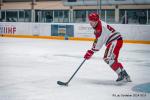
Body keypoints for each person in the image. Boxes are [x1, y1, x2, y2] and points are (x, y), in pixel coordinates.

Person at [84, 12, 131, 82]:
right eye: (90, 20)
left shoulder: (100, 28)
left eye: (93, 21)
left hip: (115, 41)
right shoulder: (98, 26)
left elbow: (99, 42)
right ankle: (125, 74)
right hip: (114, 41)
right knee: (111, 59)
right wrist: (92, 50)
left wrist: (92, 51)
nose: (91, 22)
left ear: (97, 20)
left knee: (108, 58)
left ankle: (121, 74)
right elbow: (98, 40)